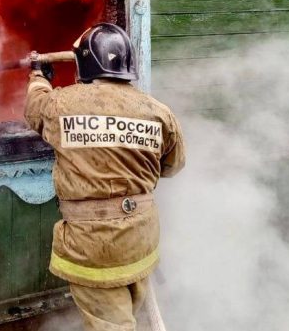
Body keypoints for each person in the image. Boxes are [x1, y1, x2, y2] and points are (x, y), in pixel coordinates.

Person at [24, 23, 186, 331]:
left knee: (112, 325)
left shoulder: (60, 104)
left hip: (95, 245)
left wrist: (38, 76)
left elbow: (34, 109)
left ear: (85, 62)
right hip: (140, 239)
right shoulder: (159, 112)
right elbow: (172, 165)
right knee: (127, 311)